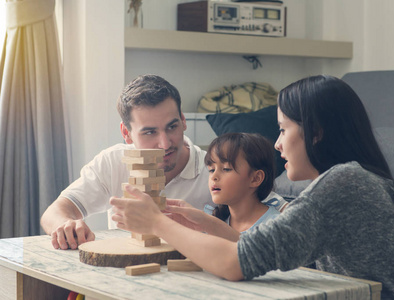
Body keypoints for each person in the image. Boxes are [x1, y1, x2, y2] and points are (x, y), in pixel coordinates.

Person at [110, 75, 394, 299]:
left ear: (316, 133)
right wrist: (206, 222)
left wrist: (156, 222)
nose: (278, 144)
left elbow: (236, 263)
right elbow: (271, 252)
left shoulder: (345, 184)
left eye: (283, 130)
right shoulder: (356, 180)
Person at [41, 74, 287, 251]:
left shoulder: (214, 171)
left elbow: (279, 215)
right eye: (149, 132)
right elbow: (55, 211)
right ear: (126, 133)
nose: (165, 143)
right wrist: (67, 225)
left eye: (172, 127)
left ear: (183, 120)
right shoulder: (114, 161)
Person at [205, 132, 280, 233]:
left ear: (256, 178)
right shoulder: (213, 223)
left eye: (226, 169)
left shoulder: (275, 227)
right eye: (211, 170)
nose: (214, 177)